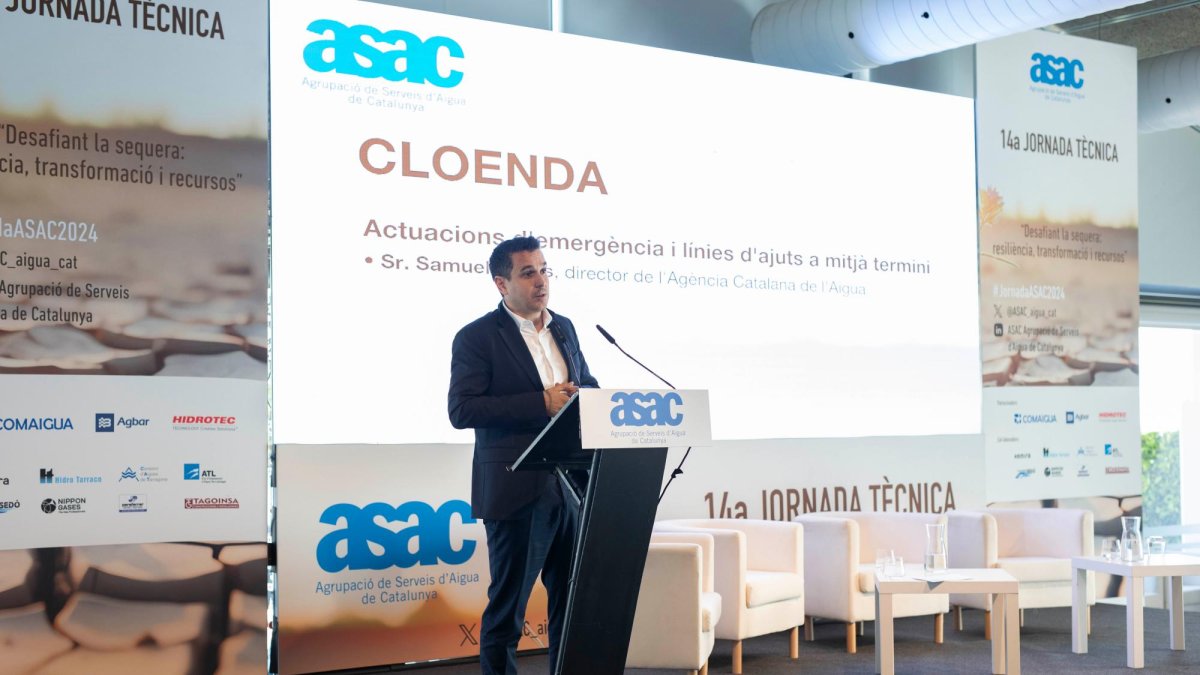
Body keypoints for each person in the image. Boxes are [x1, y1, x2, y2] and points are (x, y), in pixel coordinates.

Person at [448, 236, 598, 675]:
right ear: (501, 283)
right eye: (528, 272)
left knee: (571, 604)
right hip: (517, 488)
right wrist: (542, 403)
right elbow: (463, 409)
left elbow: (585, 381)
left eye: (544, 269)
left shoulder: (564, 327)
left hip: (571, 486)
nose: (541, 281)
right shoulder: (477, 338)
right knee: (508, 610)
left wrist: (585, 396)